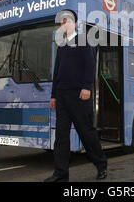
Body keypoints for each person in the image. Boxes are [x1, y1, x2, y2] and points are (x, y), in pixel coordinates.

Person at [44, 10, 107, 182]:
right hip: (62, 96)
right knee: (61, 137)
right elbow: (57, 73)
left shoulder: (84, 40)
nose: (61, 25)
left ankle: (101, 165)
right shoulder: (62, 46)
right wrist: (54, 95)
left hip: (79, 95)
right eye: (60, 23)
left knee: (86, 133)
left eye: (64, 21)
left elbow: (90, 64)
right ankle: (60, 174)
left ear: (73, 23)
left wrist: (87, 87)